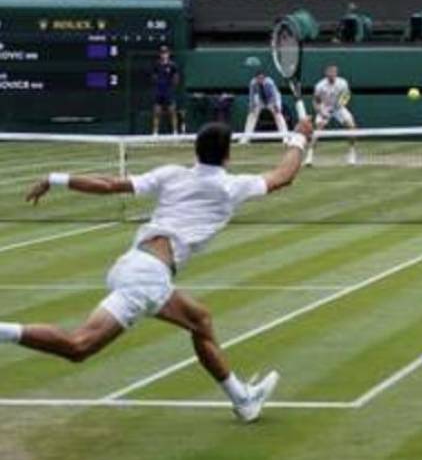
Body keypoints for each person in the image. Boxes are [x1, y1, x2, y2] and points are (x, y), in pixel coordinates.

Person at [2, 119, 313, 422]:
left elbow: (110, 185)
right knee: (78, 347)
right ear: (227, 156)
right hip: (147, 279)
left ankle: (242, 399)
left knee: (200, 320)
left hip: (132, 265)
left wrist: (54, 178)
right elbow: (283, 176)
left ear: (196, 151)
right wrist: (300, 138)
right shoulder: (231, 187)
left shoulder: (171, 174)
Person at [307, 64, 359, 166]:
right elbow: (316, 101)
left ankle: (352, 154)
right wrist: (321, 112)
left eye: (333, 73)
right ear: (326, 74)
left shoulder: (343, 83)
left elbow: (347, 95)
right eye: (329, 73)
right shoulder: (320, 86)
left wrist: (342, 103)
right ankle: (309, 157)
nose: (331, 75)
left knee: (351, 126)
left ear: (336, 74)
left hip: (338, 108)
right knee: (318, 130)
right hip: (324, 108)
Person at [240, 70, 289, 144]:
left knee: (278, 116)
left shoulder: (270, 83)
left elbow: (274, 95)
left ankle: (285, 137)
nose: (260, 80)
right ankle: (246, 138)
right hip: (260, 101)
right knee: (252, 115)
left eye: (262, 78)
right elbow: (252, 96)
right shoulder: (253, 83)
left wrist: (276, 106)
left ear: (265, 78)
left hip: (272, 100)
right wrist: (251, 107)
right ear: (256, 78)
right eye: (258, 78)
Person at [151, 45, 181, 136]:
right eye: (162, 53)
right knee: (156, 112)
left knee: (172, 111)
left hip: (168, 92)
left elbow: (176, 78)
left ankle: (175, 132)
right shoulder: (156, 65)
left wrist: (172, 85)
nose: (164, 55)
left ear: (168, 54)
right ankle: (155, 132)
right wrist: (158, 82)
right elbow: (153, 77)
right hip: (159, 92)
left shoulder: (173, 65)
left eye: (165, 53)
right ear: (160, 54)